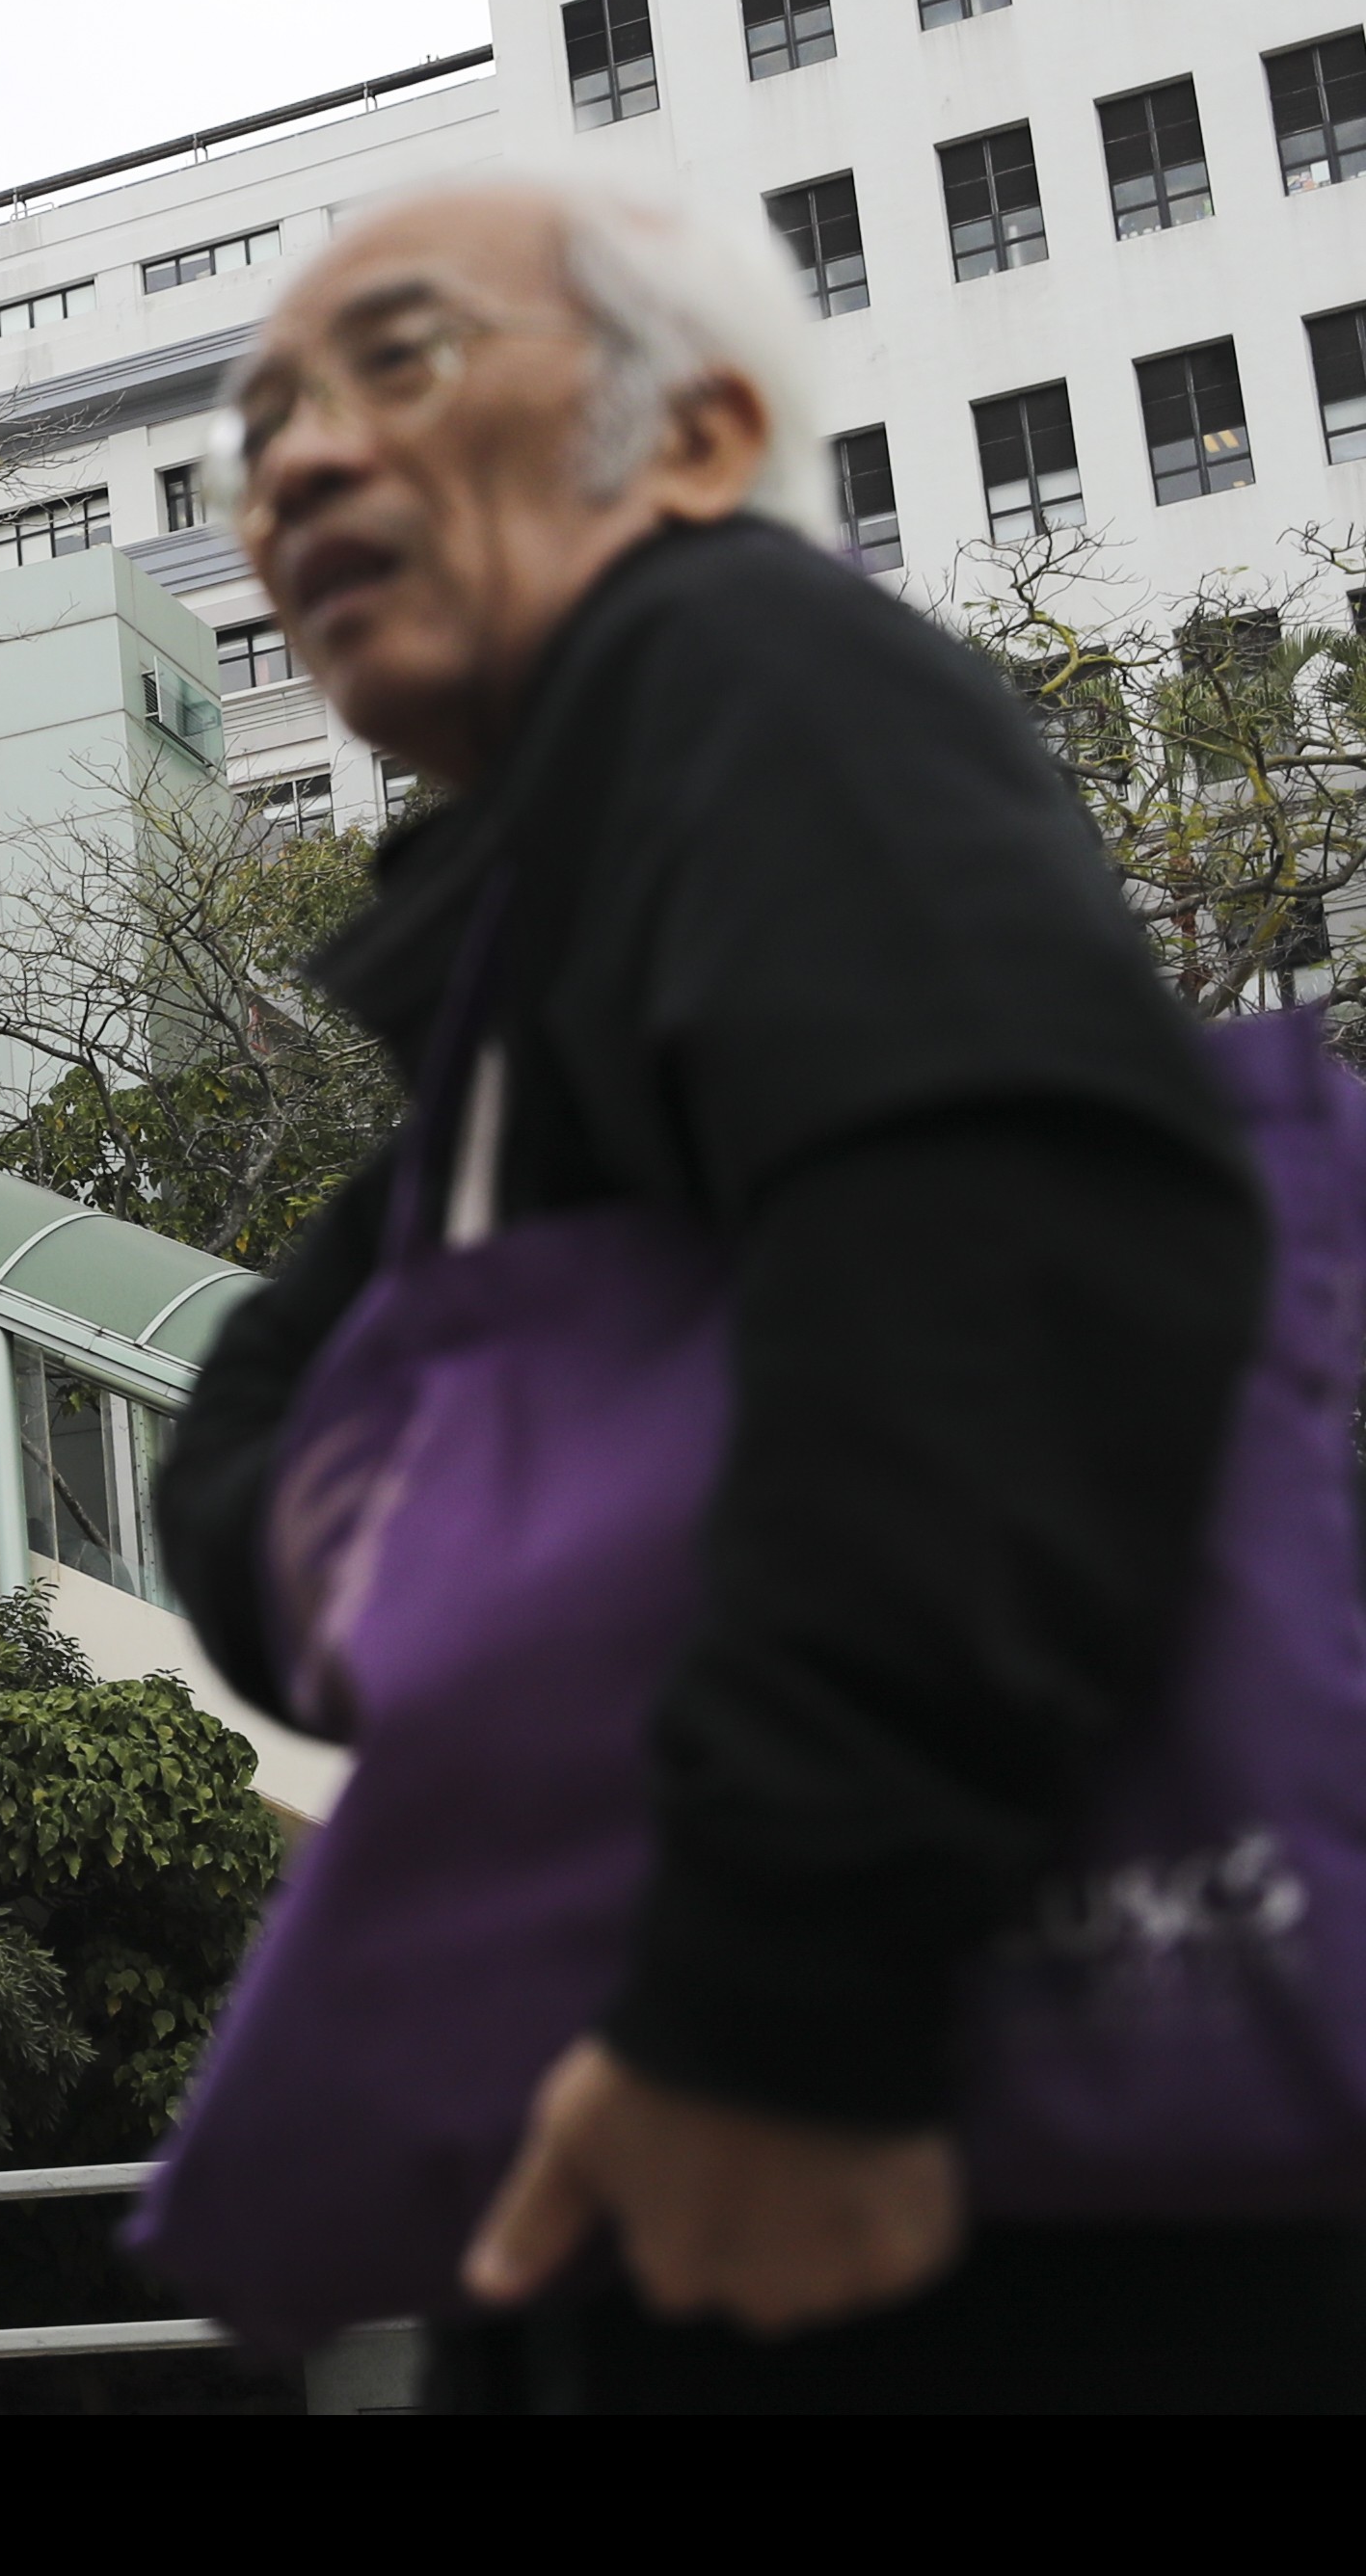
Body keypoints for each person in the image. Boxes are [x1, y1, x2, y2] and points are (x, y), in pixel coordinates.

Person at [158, 174, 1366, 2411]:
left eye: (395, 365)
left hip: (906, 2192)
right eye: (261, 427)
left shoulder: (728, 661)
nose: (293, 464)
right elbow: (256, 1466)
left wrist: (776, 2010)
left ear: (692, 440)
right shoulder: (558, 902)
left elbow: (1024, 1234)